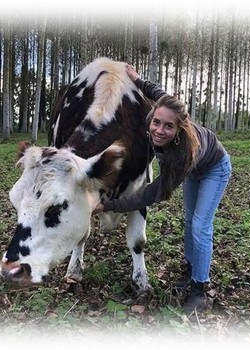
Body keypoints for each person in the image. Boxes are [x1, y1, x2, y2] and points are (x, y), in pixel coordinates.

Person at [92, 64, 232, 314]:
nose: (159, 130)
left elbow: (150, 193)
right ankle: (191, 270)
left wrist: (109, 205)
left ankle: (200, 289)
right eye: (156, 122)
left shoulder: (180, 155)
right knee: (189, 220)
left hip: (214, 169)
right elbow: (156, 91)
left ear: (179, 129)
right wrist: (137, 79)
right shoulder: (163, 110)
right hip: (194, 169)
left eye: (168, 127)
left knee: (201, 225)